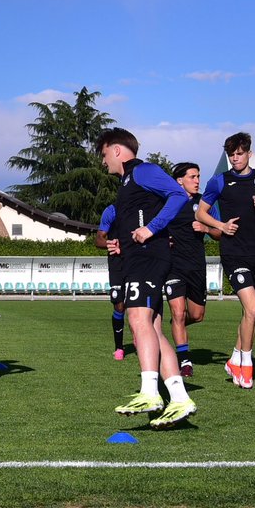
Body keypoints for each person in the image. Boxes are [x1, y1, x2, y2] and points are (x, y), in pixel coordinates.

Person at [96, 127, 195, 429]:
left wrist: (152, 229)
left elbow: (178, 195)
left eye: (103, 155)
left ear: (116, 149)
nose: (103, 162)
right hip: (139, 258)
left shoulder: (143, 171)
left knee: (137, 321)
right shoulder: (127, 182)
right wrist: (119, 243)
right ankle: (179, 397)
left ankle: (150, 392)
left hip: (148, 259)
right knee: (152, 329)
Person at [194, 132, 255, 389]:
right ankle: (246, 366)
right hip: (234, 254)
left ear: (249, 153)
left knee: (251, 314)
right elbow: (201, 213)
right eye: (231, 154)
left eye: (239, 153)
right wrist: (221, 225)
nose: (235, 158)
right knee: (253, 308)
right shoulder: (219, 182)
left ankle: (235, 359)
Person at [165, 162, 221, 377]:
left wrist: (206, 228)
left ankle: (176, 324)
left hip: (196, 266)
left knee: (196, 315)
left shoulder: (204, 204)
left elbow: (220, 232)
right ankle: (185, 361)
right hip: (172, 266)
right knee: (178, 312)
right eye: (192, 177)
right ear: (180, 180)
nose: (197, 181)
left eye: (198, 176)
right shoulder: (167, 202)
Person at [94, 205, 127, 361]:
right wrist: (110, 244)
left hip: (137, 261)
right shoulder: (112, 210)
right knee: (119, 305)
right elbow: (99, 239)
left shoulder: (144, 208)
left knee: (136, 306)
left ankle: (140, 338)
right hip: (116, 263)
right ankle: (119, 347)